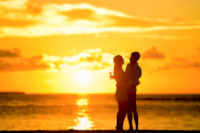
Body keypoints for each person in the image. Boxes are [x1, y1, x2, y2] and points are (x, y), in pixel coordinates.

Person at [110, 55, 129, 131]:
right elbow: (120, 81)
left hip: (122, 90)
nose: (123, 61)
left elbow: (118, 79)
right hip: (121, 91)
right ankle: (119, 126)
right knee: (122, 109)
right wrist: (128, 86)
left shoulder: (118, 69)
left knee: (122, 109)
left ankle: (119, 126)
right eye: (121, 60)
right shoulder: (118, 69)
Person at [125, 52, 142, 131]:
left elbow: (138, 80)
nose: (130, 59)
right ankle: (130, 126)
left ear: (136, 59)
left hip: (132, 91)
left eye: (132, 57)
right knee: (128, 110)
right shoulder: (128, 66)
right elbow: (125, 76)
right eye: (131, 57)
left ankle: (137, 127)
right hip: (126, 90)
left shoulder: (138, 69)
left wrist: (134, 84)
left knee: (134, 109)